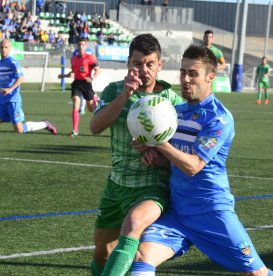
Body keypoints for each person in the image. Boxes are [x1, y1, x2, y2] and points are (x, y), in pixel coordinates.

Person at [130, 45, 273, 276]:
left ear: (210, 77)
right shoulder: (175, 113)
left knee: (256, 274)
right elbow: (173, 157)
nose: (185, 79)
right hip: (179, 213)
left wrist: (158, 142)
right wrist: (155, 156)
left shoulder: (218, 118)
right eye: (182, 72)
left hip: (212, 212)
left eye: (193, 74)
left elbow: (193, 166)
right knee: (143, 256)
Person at [89, 33, 183, 276]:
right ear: (129, 64)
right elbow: (95, 127)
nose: (144, 70)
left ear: (159, 64)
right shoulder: (114, 91)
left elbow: (182, 153)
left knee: (132, 226)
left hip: (151, 187)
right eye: (137, 63)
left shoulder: (173, 102)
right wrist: (124, 97)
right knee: (101, 252)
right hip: (117, 184)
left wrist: (161, 159)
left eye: (150, 64)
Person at [0, 39, 57, 135]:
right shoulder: (1, 63)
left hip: (12, 99)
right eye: (1, 47)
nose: (3, 49)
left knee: (19, 130)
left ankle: (45, 124)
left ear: (9, 49)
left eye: (6, 47)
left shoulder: (12, 62)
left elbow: (21, 77)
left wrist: (10, 89)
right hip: (2, 99)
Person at [58, 38, 100, 136]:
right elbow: (73, 72)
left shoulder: (90, 58)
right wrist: (63, 76)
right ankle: (75, 130)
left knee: (91, 109)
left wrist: (92, 78)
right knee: (76, 104)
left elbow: (98, 70)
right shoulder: (74, 59)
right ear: (77, 46)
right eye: (79, 45)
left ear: (85, 46)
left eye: (82, 45)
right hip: (76, 83)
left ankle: (95, 98)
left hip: (86, 84)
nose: (80, 47)